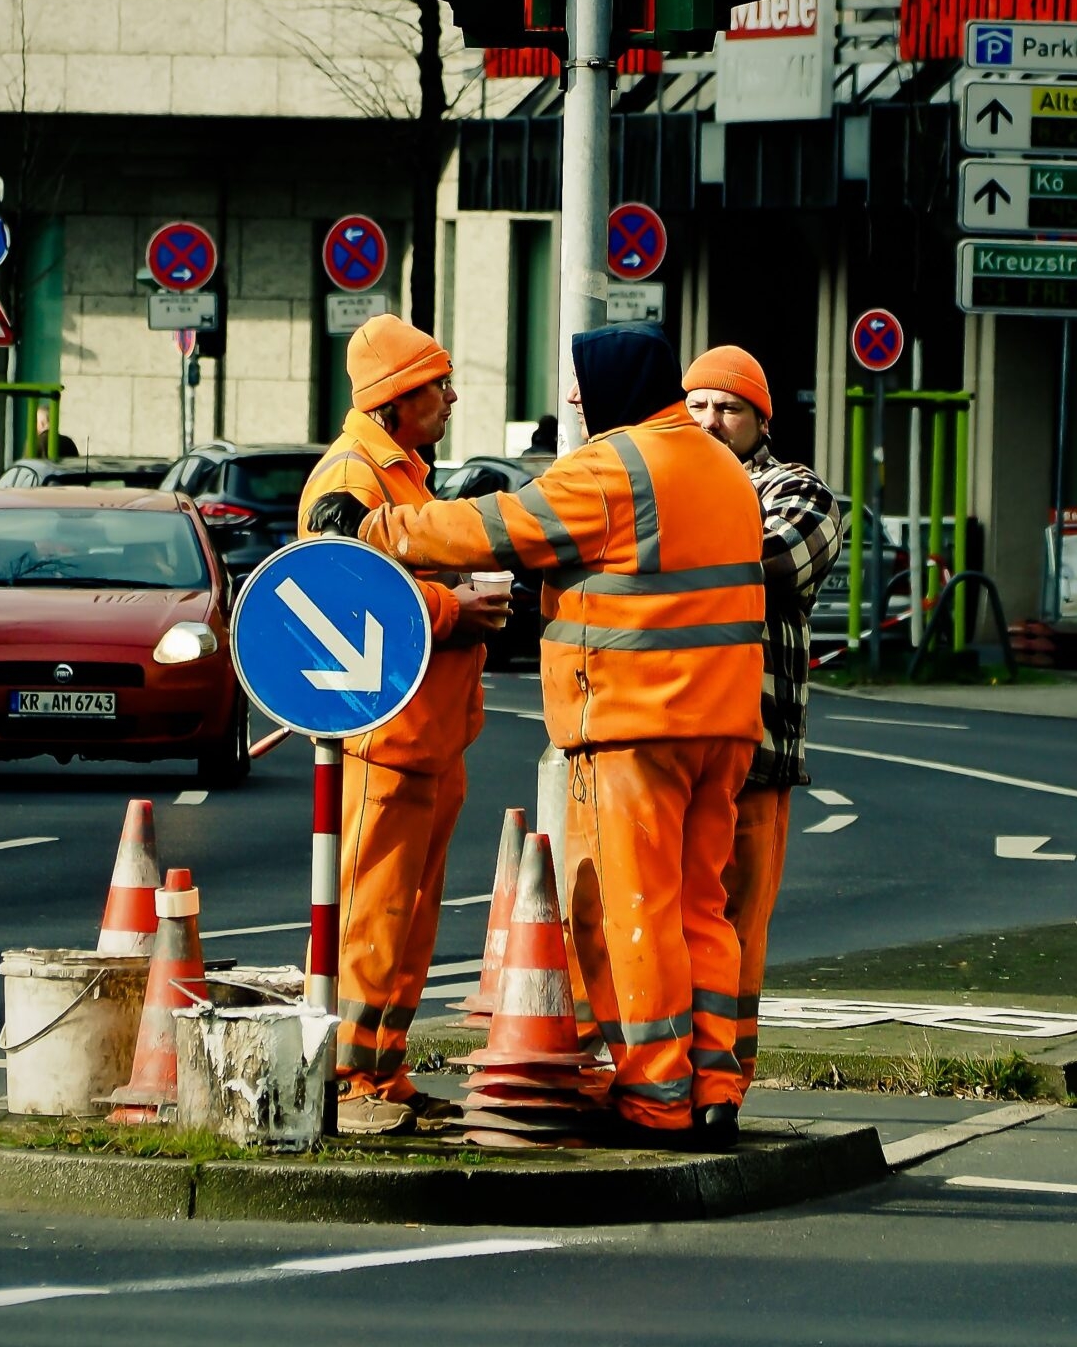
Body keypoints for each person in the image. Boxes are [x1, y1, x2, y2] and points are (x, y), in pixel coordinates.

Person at [313, 321, 765, 1149]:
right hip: (724, 727)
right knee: (705, 906)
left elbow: (500, 529)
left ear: (615, 390)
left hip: (636, 724)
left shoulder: (617, 465)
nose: (573, 401)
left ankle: (659, 1096)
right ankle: (715, 1085)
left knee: (633, 909)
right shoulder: (723, 468)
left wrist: (377, 531)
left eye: (582, 386)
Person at [299, 316, 512, 1135]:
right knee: (373, 912)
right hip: (386, 737)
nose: (452, 397)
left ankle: (381, 1074)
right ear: (395, 399)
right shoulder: (351, 477)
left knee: (409, 914)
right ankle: (352, 1078)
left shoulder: (401, 475)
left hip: (424, 733)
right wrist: (454, 607)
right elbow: (336, 588)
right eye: (438, 385)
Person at [681, 346, 841, 1091]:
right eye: (699, 406)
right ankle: (662, 1072)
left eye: (729, 409)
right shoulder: (669, 480)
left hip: (757, 750)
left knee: (738, 924)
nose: (711, 421)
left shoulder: (797, 490)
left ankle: (725, 1079)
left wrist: (665, 542)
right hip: (671, 741)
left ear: (759, 420)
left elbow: (772, 559)